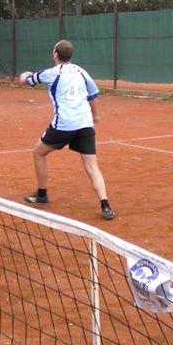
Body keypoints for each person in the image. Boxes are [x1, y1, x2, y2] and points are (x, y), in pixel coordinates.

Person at [18, 39, 115, 220]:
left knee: (38, 153)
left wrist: (24, 75)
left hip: (63, 125)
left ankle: (42, 194)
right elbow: (93, 95)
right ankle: (106, 205)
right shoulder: (81, 71)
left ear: (56, 54)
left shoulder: (50, 73)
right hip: (85, 124)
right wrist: (96, 116)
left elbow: (27, 81)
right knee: (92, 166)